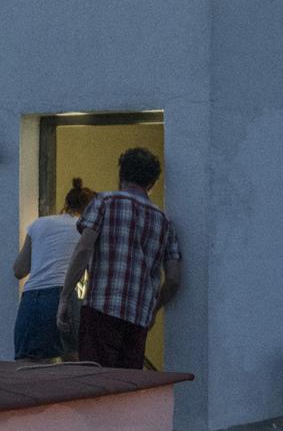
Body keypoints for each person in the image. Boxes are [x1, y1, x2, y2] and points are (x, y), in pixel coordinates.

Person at [57, 148, 181, 370]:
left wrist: (65, 297)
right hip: (138, 317)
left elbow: (84, 249)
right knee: (126, 387)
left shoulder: (104, 202)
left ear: (120, 176)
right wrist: (153, 309)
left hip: (101, 308)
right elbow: (173, 278)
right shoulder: (165, 222)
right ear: (152, 183)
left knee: (94, 384)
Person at [11, 177, 95, 361]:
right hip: (67, 295)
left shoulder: (39, 224)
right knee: (73, 360)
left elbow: (19, 270)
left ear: (67, 203)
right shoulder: (87, 229)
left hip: (32, 298)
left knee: (29, 361)